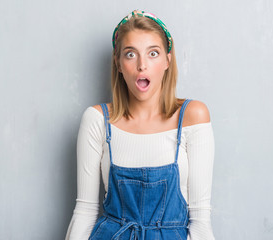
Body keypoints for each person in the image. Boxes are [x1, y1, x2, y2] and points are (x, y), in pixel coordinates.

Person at [65, 10, 215, 240]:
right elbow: (85, 211)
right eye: (131, 54)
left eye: (153, 53)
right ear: (118, 63)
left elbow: (200, 220)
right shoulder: (97, 120)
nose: (142, 65)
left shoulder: (192, 116)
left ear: (167, 60)